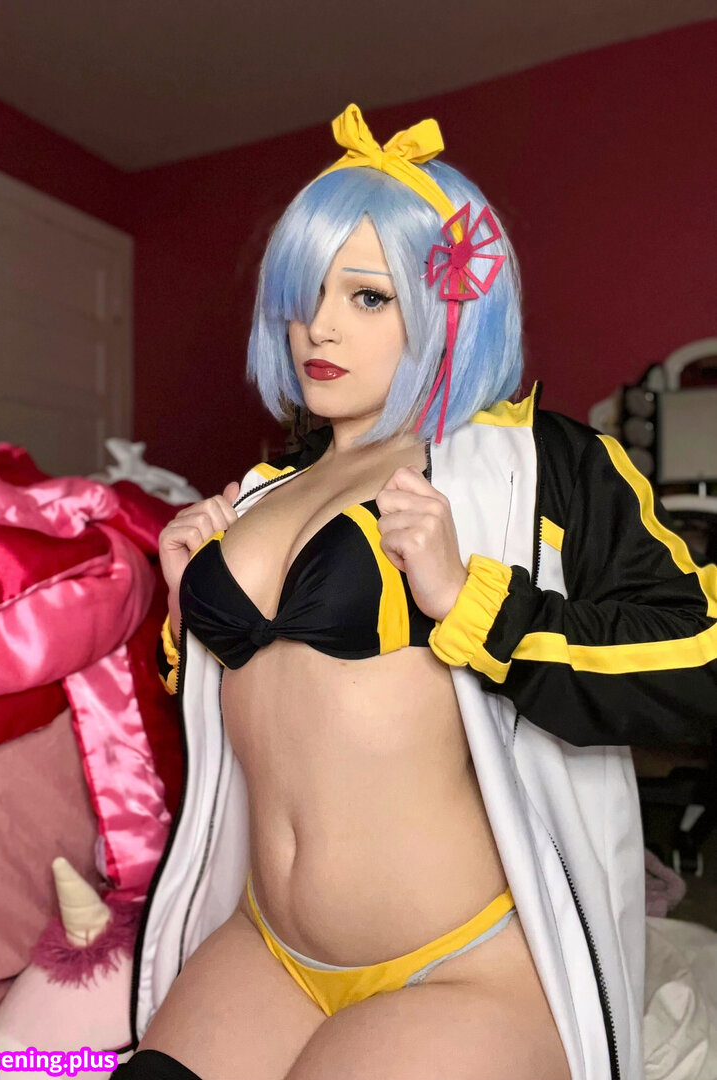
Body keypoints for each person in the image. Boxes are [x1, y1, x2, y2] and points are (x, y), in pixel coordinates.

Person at [116, 105, 717, 1080]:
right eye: (304, 295)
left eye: (367, 296)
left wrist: (476, 603)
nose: (318, 326)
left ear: (449, 309)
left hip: (460, 964)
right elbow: (263, 715)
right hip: (268, 946)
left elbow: (701, 661)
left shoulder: (543, 468)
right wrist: (188, 620)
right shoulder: (261, 489)